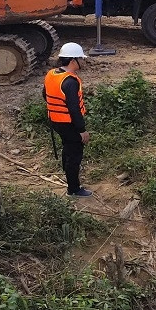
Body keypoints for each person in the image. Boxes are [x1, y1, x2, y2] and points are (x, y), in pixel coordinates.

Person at [43, 42, 92, 197]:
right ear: (72, 61)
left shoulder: (52, 74)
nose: (83, 61)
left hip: (55, 121)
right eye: (81, 59)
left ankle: (69, 173)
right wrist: (82, 130)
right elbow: (74, 109)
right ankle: (74, 189)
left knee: (68, 149)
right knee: (74, 154)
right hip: (68, 124)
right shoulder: (70, 82)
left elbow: (45, 94)